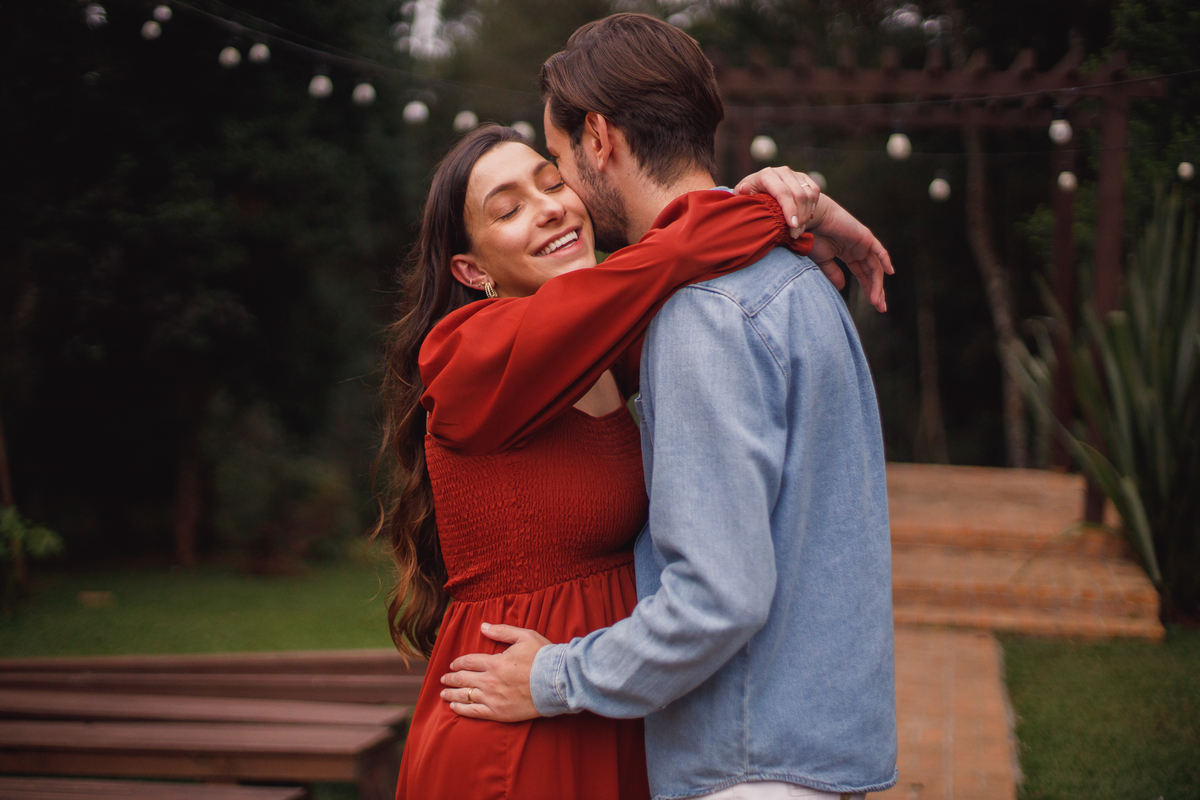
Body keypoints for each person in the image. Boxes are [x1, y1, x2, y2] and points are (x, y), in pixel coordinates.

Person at [437, 14, 898, 800]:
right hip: (787, 750)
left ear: (599, 138)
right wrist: (797, 209)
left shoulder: (700, 314)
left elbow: (718, 596)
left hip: (747, 760)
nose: (561, 201)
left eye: (555, 169)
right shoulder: (796, 284)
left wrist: (555, 676)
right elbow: (663, 259)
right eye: (511, 205)